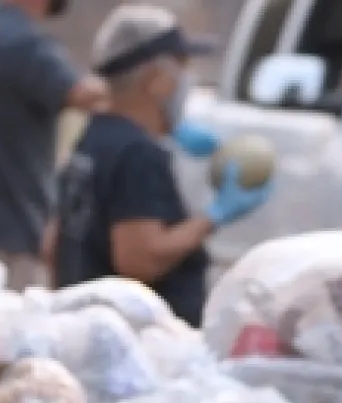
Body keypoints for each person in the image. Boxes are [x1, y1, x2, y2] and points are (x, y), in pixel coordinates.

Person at [45, 4, 269, 328]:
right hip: (141, 340)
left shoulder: (94, 137)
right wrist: (214, 216)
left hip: (89, 325)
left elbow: (53, 243)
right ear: (155, 79)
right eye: (181, 67)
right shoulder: (138, 153)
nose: (186, 81)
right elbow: (139, 259)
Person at [0, 0, 110, 289]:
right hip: (8, 236)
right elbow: (81, 94)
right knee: (10, 333)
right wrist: (128, 75)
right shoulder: (21, 41)